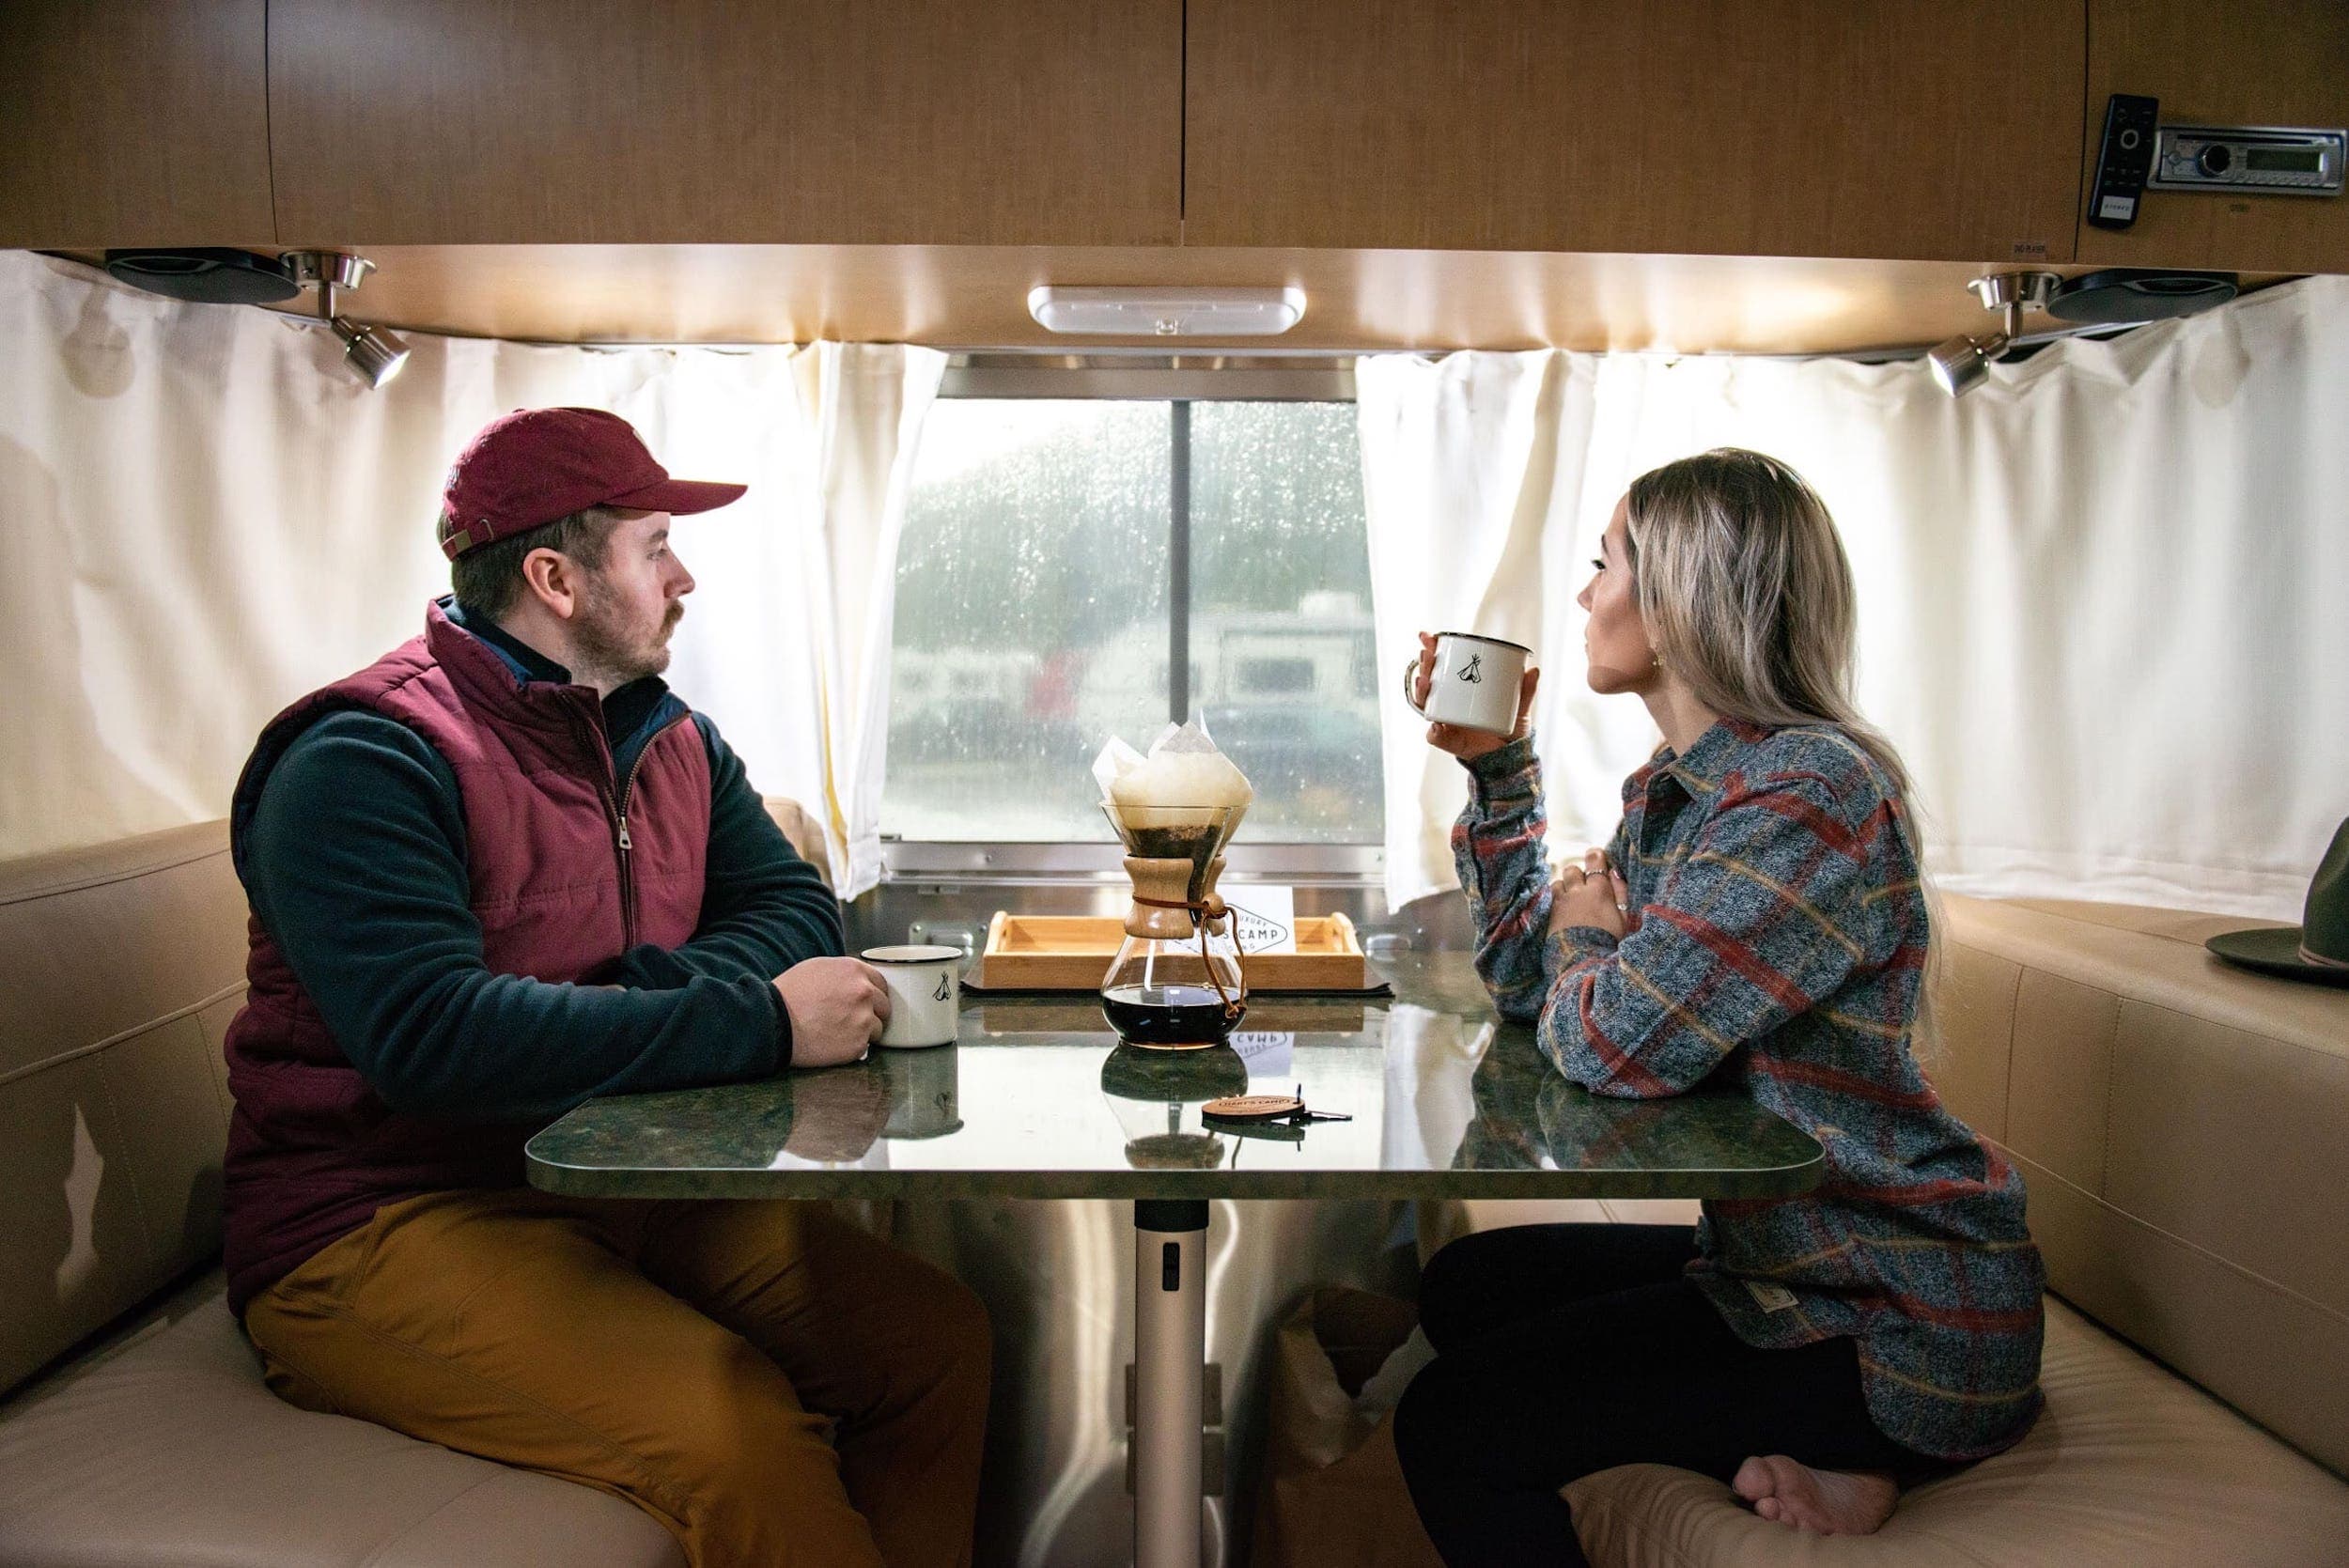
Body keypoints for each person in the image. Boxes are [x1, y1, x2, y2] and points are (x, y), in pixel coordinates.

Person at [221, 407, 990, 1568]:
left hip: (628, 1184)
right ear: (554, 577)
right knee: (737, 1427)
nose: (684, 578)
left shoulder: (669, 737)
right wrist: (756, 1019)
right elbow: (434, 1041)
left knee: (934, 1341)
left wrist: (624, 998)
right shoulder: (364, 760)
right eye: (653, 546)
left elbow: (793, 910)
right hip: (387, 1217)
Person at [1392, 449, 2045, 1565]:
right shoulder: (1683, 793)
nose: (1587, 595)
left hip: (1896, 1317)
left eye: (1606, 566)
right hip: (1780, 1267)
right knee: (1466, 1281)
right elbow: (1524, 994)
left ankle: (1876, 1448)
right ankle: (1834, 1466)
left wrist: (1591, 938)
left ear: (1681, 598)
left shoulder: (1806, 798)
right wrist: (1500, 768)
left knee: (1451, 1422)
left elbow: (1600, 1036)